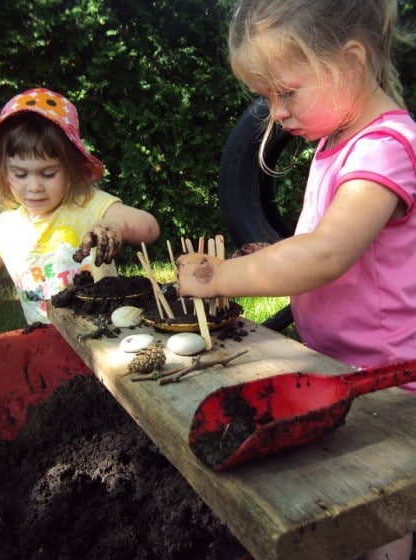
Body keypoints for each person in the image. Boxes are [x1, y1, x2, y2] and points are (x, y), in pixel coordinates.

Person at [177, 1, 415, 559]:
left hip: (395, 382)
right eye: (265, 98)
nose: (275, 112)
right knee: (338, 510)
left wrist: (222, 278)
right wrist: (277, 254)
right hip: (342, 371)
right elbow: (327, 245)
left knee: (377, 514)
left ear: (351, 62)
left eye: (286, 92)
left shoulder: (387, 147)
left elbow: (328, 253)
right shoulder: (337, 141)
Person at [0, 88, 160, 324]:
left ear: (72, 169)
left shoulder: (89, 205)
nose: (34, 186)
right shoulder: (6, 228)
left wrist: (113, 225)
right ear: (4, 174)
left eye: (48, 173)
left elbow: (149, 228)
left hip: (101, 337)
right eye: (20, 174)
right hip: (43, 342)